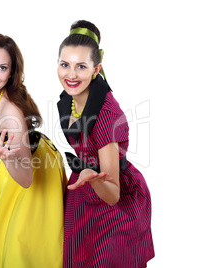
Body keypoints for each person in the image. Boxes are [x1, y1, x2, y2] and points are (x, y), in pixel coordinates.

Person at [57, 20, 154, 267]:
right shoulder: (71, 98)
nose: (71, 74)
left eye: (81, 66)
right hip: (85, 187)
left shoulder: (106, 115)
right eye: (65, 64)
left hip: (112, 197)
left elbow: (112, 194)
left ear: (96, 68)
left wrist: (92, 175)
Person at [0, 33, 67, 268]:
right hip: (11, 159)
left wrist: (6, 158)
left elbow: (27, 179)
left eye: (2, 68)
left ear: (11, 73)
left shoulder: (11, 116)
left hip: (33, 169)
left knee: (21, 246)